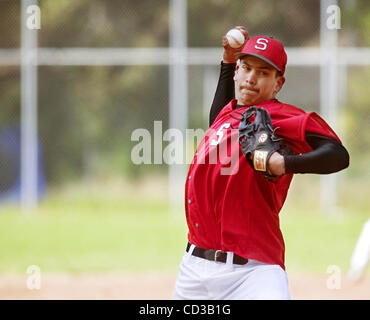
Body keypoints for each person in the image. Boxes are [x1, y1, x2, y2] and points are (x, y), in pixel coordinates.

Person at [173, 26, 350, 300]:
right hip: (194, 270)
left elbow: (338, 155)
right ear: (237, 72)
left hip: (254, 274)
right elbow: (216, 119)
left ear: (278, 83)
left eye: (263, 73)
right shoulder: (229, 112)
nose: (251, 78)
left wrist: (283, 163)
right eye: (246, 68)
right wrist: (228, 59)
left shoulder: (282, 116)